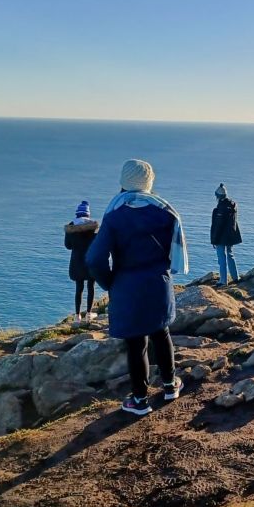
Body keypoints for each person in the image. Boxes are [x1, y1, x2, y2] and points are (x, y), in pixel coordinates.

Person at [86, 159, 190, 415]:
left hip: (128, 285)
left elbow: (93, 259)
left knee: (136, 343)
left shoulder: (114, 216)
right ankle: (169, 385)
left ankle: (140, 400)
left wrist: (110, 282)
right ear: (149, 182)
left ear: (123, 183)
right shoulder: (167, 212)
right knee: (161, 333)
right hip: (159, 283)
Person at [64, 201, 98, 324]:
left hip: (76, 262)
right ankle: (89, 314)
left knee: (79, 288)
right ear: (87, 214)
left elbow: (68, 246)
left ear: (77, 214)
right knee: (91, 287)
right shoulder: (93, 227)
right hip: (90, 261)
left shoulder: (71, 227)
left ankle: (77, 316)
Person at [210, 183, 242, 286]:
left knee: (221, 258)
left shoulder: (220, 209)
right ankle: (236, 277)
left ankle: (223, 281)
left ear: (218, 196)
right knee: (230, 255)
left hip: (221, 237)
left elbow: (218, 226)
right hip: (230, 236)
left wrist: (214, 240)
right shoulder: (232, 205)